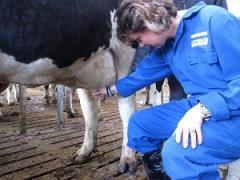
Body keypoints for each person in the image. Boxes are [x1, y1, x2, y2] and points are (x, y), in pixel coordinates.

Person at [93, 0, 240, 179]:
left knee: (178, 153)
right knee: (139, 124)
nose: (140, 45)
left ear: (150, 23)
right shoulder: (167, 47)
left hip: (233, 113)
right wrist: (108, 90)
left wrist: (202, 110)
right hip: (200, 106)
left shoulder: (214, 20)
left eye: (139, 39)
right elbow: (142, 74)